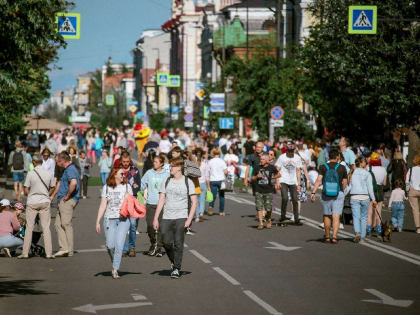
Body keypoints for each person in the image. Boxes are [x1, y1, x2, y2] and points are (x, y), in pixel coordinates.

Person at [153, 157, 197, 279]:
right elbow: (161, 199)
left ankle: (177, 268)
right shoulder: (167, 181)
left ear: (179, 168)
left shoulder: (188, 182)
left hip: (181, 216)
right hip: (167, 216)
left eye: (172, 166)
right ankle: (173, 261)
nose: (170, 168)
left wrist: (189, 219)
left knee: (178, 243)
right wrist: (156, 218)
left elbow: (194, 202)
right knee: (166, 242)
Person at [96, 166, 133, 279]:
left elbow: (132, 203)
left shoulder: (127, 187)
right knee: (110, 245)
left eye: (124, 174)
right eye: (121, 174)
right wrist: (97, 221)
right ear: (115, 174)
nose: (123, 176)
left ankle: (115, 269)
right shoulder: (106, 187)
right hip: (109, 219)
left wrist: (129, 197)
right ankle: (114, 261)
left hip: (123, 219)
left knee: (119, 245)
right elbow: (103, 205)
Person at [19, 154, 55, 259]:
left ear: (34, 162)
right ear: (42, 162)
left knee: (29, 227)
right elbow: (52, 187)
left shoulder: (30, 173)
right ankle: (49, 253)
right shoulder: (48, 173)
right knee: (46, 228)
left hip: (32, 202)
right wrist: (47, 194)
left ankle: (25, 253)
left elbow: (26, 190)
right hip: (45, 201)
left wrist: (31, 193)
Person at [310, 149, 348, 243]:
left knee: (327, 215)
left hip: (326, 193)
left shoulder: (323, 166)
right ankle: (334, 237)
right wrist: (343, 190)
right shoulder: (342, 167)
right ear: (337, 157)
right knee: (336, 216)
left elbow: (318, 180)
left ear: (329, 157)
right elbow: (345, 182)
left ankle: (327, 237)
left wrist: (313, 192)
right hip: (338, 193)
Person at [141, 155, 170, 257]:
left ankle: (158, 248)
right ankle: (153, 243)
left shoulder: (167, 174)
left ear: (161, 163)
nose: (154, 163)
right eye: (154, 162)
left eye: (156, 162)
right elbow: (142, 184)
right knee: (150, 226)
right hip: (150, 204)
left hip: (162, 204)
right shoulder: (149, 173)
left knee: (161, 227)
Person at [53, 152, 80, 258]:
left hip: (67, 201)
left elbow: (73, 183)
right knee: (57, 224)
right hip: (62, 200)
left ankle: (69, 250)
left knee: (66, 224)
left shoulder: (70, 169)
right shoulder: (66, 170)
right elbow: (60, 183)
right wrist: (53, 196)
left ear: (62, 161)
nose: (56, 163)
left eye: (56, 161)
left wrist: (67, 196)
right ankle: (64, 248)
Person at [348, 157, 376, 243]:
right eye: (365, 162)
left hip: (354, 196)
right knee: (364, 217)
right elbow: (370, 188)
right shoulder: (367, 174)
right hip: (365, 197)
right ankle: (363, 236)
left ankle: (357, 233)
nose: (366, 163)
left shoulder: (352, 173)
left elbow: (349, 186)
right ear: (361, 163)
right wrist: (374, 199)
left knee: (356, 216)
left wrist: (343, 194)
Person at [120, 151, 141, 257]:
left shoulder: (134, 170)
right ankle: (123, 249)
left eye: (127, 161)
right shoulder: (117, 171)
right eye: (124, 161)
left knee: (132, 225)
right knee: (123, 225)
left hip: (132, 200)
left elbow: (138, 186)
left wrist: (134, 187)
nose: (125, 163)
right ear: (121, 160)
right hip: (120, 201)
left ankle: (132, 247)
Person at [275, 142, 302, 224]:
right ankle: (283, 216)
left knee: (295, 199)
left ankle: (296, 218)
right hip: (283, 180)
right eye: (289, 151)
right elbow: (277, 170)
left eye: (292, 151)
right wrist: (277, 181)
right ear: (286, 150)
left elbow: (298, 171)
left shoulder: (297, 158)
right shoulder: (282, 157)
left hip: (293, 181)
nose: (291, 152)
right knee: (285, 198)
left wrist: (299, 184)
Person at [252, 153, 279, 229]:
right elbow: (252, 178)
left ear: (267, 160)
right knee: (259, 207)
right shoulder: (257, 167)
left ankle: (269, 220)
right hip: (259, 190)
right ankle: (260, 223)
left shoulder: (271, 167)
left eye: (263, 159)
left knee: (268, 208)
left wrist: (273, 177)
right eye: (261, 159)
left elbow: (279, 174)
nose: (261, 160)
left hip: (268, 190)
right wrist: (257, 176)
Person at [367, 153, 387, 236]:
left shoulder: (368, 168)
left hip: (371, 190)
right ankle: (378, 228)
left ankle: (368, 228)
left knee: (370, 211)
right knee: (378, 211)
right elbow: (384, 183)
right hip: (380, 191)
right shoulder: (383, 169)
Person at [208, 148, 228, 216]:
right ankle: (221, 211)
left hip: (213, 180)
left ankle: (211, 207)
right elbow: (225, 171)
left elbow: (208, 170)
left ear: (213, 154)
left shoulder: (210, 161)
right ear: (219, 154)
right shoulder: (222, 161)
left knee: (212, 195)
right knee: (221, 196)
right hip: (221, 180)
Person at [406, 154, 420, 233]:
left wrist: (407, 191)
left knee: (415, 210)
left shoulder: (411, 169)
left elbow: (407, 182)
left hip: (413, 190)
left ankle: (418, 228)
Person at [195, 148, 210, 222]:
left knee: (196, 201)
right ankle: (201, 212)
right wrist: (208, 186)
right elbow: (207, 176)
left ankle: (197, 217)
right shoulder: (205, 164)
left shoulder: (194, 164)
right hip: (203, 184)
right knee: (202, 200)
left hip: (196, 184)